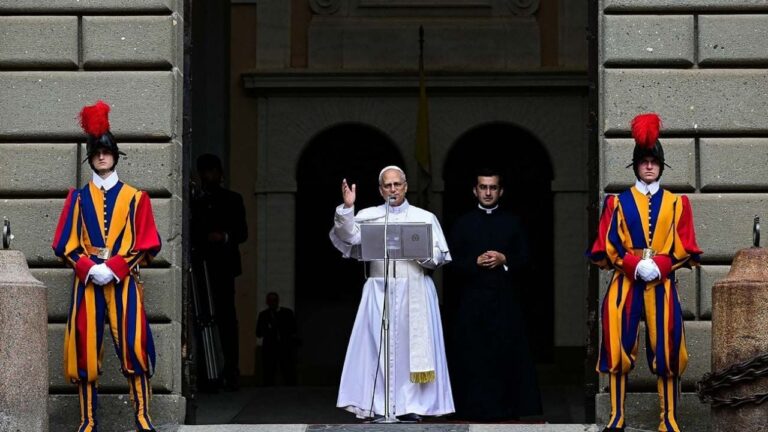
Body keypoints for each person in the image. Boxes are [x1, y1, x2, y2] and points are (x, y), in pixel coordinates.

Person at [52, 100, 162, 432]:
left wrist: (114, 267)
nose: (102, 156)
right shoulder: (78, 198)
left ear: (115, 155)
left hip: (123, 280)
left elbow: (146, 243)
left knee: (134, 345)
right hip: (87, 283)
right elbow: (65, 245)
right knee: (84, 351)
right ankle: (87, 421)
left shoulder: (136, 198)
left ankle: (142, 417)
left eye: (106, 151)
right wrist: (89, 268)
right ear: (90, 157)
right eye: (97, 152)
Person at [587, 113, 702, 432]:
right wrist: (635, 265)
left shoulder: (677, 203)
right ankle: (616, 417)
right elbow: (608, 244)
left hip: (662, 284)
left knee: (668, 350)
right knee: (617, 347)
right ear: (636, 166)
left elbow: (686, 245)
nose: (649, 166)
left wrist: (661, 266)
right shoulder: (617, 203)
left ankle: (669, 419)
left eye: (654, 162)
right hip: (624, 282)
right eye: (644, 162)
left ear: (661, 166)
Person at [329, 165, 454, 420]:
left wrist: (421, 254)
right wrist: (348, 208)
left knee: (409, 351)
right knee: (378, 348)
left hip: (415, 289)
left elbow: (440, 256)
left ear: (406, 187)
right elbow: (348, 237)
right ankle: (379, 406)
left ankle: (412, 406)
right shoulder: (368, 215)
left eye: (397, 184)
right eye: (387, 185)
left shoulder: (424, 217)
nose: (393, 189)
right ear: (380, 190)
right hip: (379, 290)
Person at [448, 168, 542, 421]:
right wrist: (474, 262)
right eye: (483, 187)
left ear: (500, 191)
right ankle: (471, 409)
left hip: (505, 301)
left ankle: (506, 410)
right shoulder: (463, 223)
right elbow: (449, 263)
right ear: (475, 191)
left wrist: (505, 259)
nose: (487, 192)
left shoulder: (513, 222)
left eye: (492, 188)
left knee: (505, 356)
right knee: (472, 357)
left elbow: (528, 260)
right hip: (472, 303)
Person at [191, 153, 248, 391]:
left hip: (223, 267)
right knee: (201, 318)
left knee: (226, 320)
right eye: (205, 172)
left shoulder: (232, 199)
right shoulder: (195, 201)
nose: (208, 176)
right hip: (201, 266)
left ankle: (230, 371)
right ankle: (206, 373)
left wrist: (223, 236)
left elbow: (242, 233)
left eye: (212, 171)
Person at [256, 292, 298, 386]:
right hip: (270, 348)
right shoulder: (264, 315)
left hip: (284, 347)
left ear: (277, 301)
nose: (272, 303)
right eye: (270, 301)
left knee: (288, 371)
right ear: (267, 302)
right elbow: (258, 332)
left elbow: (293, 329)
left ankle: (290, 387)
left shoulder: (287, 313)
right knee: (269, 372)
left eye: (274, 300)